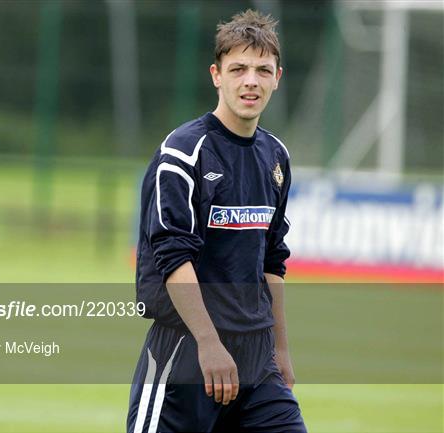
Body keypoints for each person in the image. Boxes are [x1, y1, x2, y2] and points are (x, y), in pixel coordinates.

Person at [127, 9, 306, 433]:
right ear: (216, 75)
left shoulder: (275, 156)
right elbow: (172, 257)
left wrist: (280, 349)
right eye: (238, 69)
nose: (251, 81)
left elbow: (272, 260)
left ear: (277, 77)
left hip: (258, 359)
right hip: (188, 350)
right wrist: (209, 344)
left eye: (263, 70)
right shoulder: (183, 152)